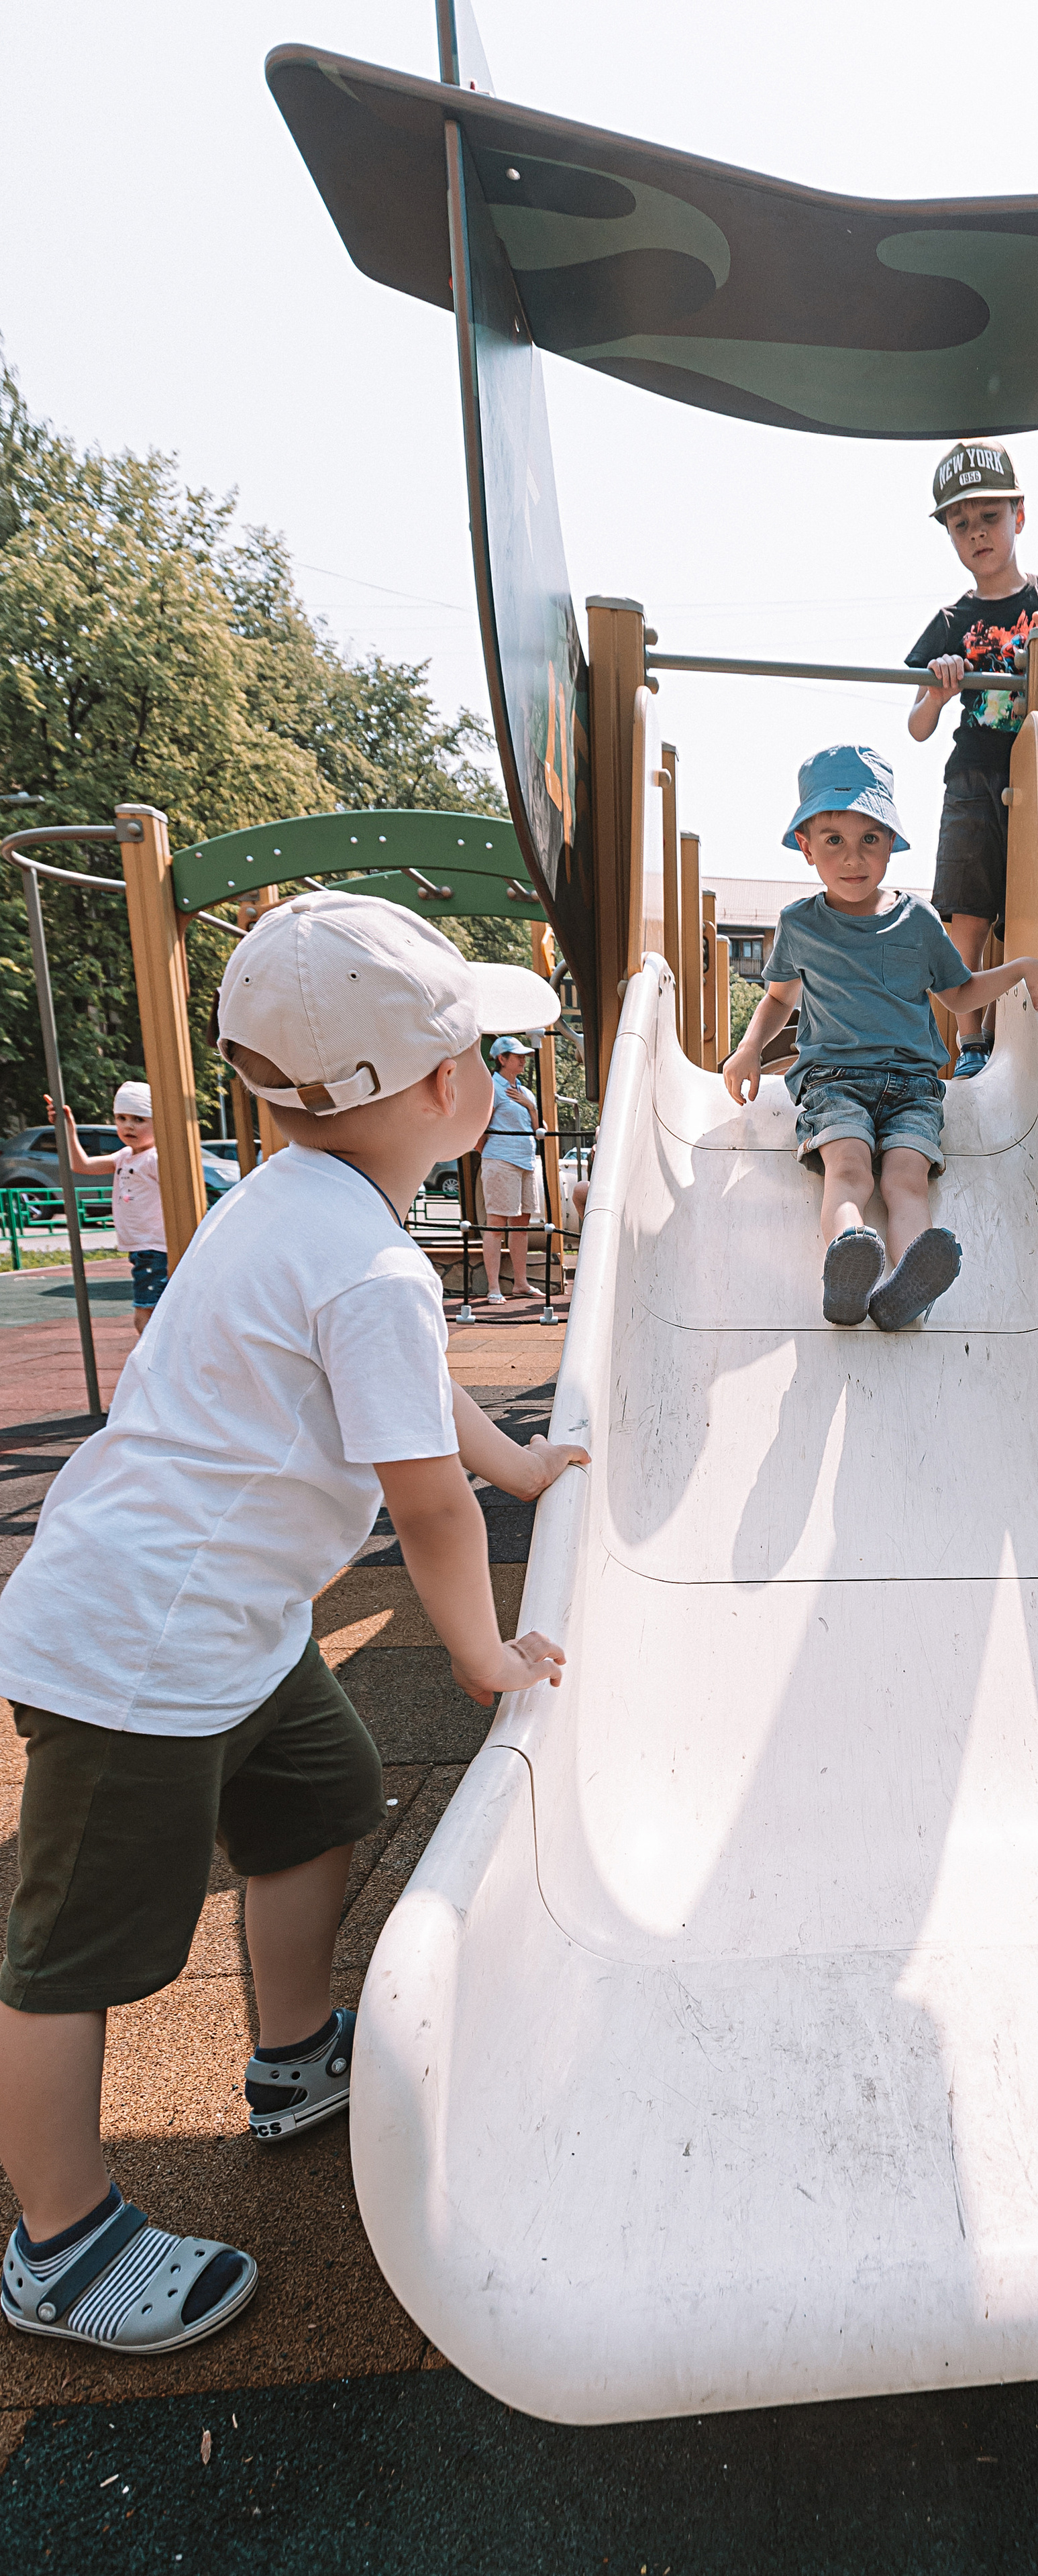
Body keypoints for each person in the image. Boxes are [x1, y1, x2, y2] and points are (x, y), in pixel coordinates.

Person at [0, 893, 586, 2357]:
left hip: (231, 1627)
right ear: (441, 1089)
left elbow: (413, 1398)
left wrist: (518, 1458)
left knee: (318, 1802)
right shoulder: (371, 1260)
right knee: (76, 1955)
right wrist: (476, 1651)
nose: (502, 1080)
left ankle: (289, 2056)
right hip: (140, 1652)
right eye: (489, 1054)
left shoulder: (301, 1206)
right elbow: (430, 1508)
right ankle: (57, 2240)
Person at [723, 745, 1038, 1330]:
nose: (853, 857)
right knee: (850, 1167)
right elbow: (780, 997)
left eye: (870, 838)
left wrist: (1019, 970)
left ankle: (908, 1287)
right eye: (833, 839)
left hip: (913, 1085)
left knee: (906, 1177)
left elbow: (959, 994)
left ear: (891, 843)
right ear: (807, 847)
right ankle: (849, 1259)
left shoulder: (917, 923)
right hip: (832, 1081)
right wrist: (749, 1048)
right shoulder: (799, 924)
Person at [906, 441, 1038, 1078]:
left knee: (1030, 910)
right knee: (966, 918)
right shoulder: (950, 622)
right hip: (972, 777)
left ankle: (1009, 1030)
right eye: (961, 525)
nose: (977, 534)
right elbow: (916, 726)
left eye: (989, 518)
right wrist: (939, 691)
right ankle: (970, 1046)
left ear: (1020, 516)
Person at [47, 1081, 166, 1335]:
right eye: (121, 1118)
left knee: (145, 1316)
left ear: (159, 1122)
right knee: (152, 1313)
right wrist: (69, 1129)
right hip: (142, 1249)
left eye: (139, 1119)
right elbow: (83, 1166)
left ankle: (153, 1366)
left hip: (156, 1248)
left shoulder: (155, 1159)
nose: (128, 1126)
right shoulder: (124, 1156)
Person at [480, 1036, 543, 1303]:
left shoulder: (526, 1092)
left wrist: (530, 1106)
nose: (523, 1059)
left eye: (524, 1055)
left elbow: (538, 1129)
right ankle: (494, 1288)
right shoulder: (491, 1088)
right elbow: (478, 1129)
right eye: (516, 1055)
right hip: (501, 1162)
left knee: (521, 1226)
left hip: (526, 1162)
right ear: (501, 1059)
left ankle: (521, 1284)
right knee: (496, 1225)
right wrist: (490, 1155)